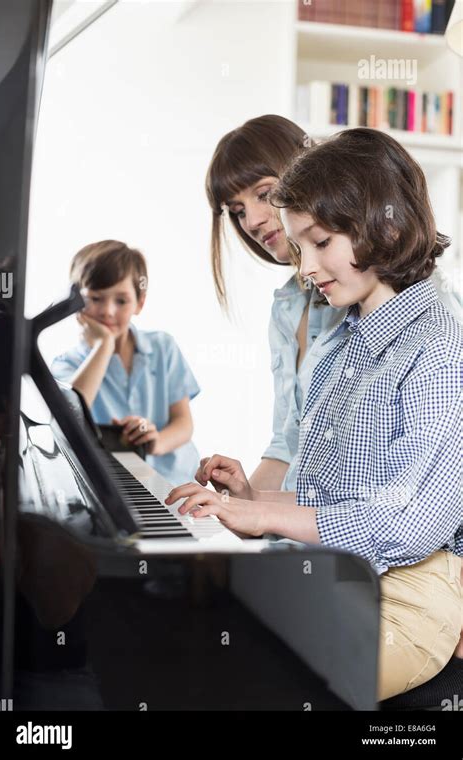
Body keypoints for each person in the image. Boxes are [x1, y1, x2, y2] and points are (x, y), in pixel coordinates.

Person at [166, 128, 462, 700]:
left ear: (389, 226)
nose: (304, 268)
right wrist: (249, 501)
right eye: (299, 248)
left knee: (236, 681)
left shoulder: (440, 348)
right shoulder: (341, 347)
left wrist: (266, 520)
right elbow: (333, 497)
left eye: (320, 243)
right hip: (330, 575)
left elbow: (407, 522)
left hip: (405, 599)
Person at [206, 115, 461, 495]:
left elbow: (407, 496)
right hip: (305, 528)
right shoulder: (288, 307)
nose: (254, 221)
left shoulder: (424, 317)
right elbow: (290, 444)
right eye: (237, 211)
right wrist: (247, 505)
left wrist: (264, 516)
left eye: (263, 194)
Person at [51, 240, 200, 486]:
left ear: (139, 303)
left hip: (176, 481)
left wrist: (156, 442)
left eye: (121, 301)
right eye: (95, 299)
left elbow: (183, 423)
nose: (108, 311)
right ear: (76, 303)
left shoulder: (163, 347)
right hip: (116, 488)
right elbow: (68, 420)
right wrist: (104, 346)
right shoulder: (66, 365)